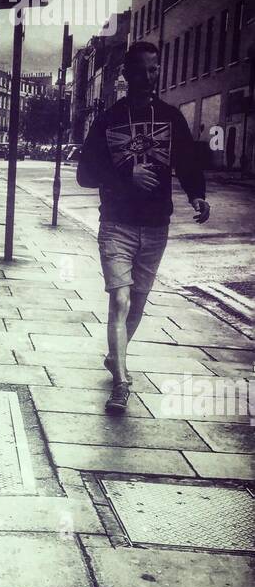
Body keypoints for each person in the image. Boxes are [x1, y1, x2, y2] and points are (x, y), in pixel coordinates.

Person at [76, 40, 210, 413]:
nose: (148, 77)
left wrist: (196, 195)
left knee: (136, 302)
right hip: (117, 224)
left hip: (155, 226)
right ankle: (120, 383)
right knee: (119, 299)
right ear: (126, 74)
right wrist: (125, 174)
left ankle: (115, 357)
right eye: (141, 70)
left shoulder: (171, 118)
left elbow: (186, 161)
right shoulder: (108, 121)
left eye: (154, 70)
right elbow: (85, 174)